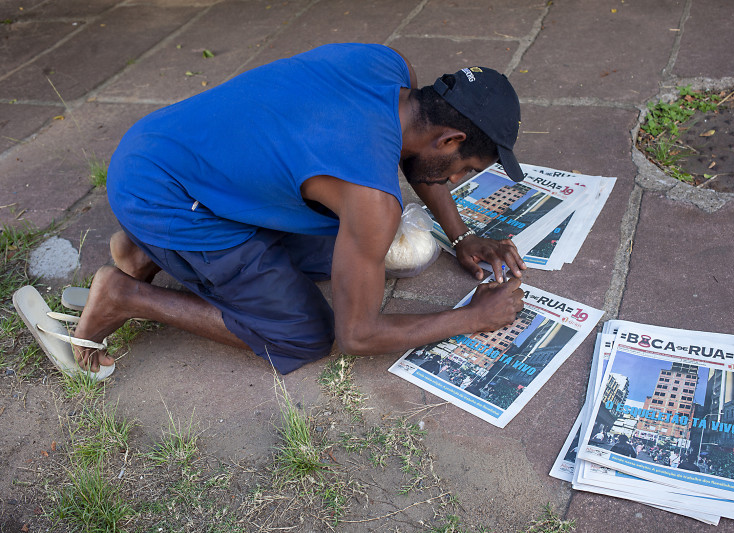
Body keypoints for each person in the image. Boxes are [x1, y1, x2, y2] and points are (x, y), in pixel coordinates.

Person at [70, 43, 528, 375]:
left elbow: (418, 158)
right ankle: (125, 296)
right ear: (449, 139)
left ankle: (146, 251)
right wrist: (471, 318)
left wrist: (463, 236)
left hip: (160, 144)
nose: (452, 181)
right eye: (464, 168)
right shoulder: (371, 200)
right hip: (160, 193)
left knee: (343, 246)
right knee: (305, 336)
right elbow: (358, 336)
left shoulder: (385, 64)